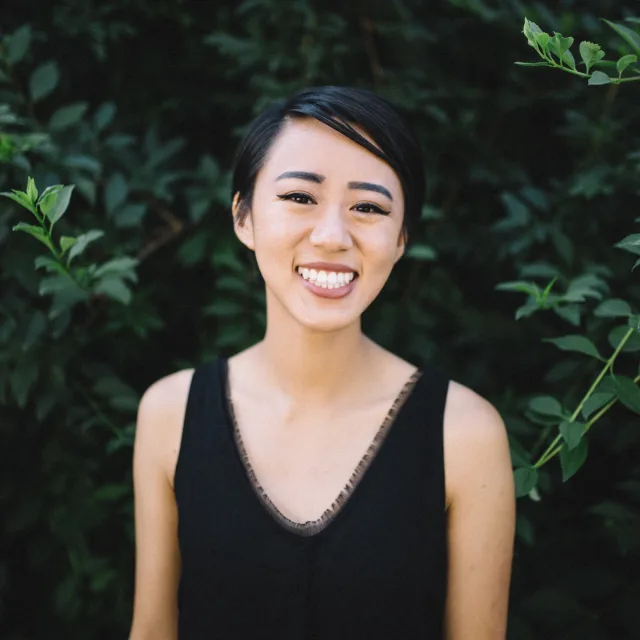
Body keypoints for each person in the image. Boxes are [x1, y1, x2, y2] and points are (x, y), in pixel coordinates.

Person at [128, 86, 515, 640]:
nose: (332, 236)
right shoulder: (171, 414)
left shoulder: (465, 434)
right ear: (243, 218)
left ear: (401, 238)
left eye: (369, 207)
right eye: (300, 198)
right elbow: (152, 630)